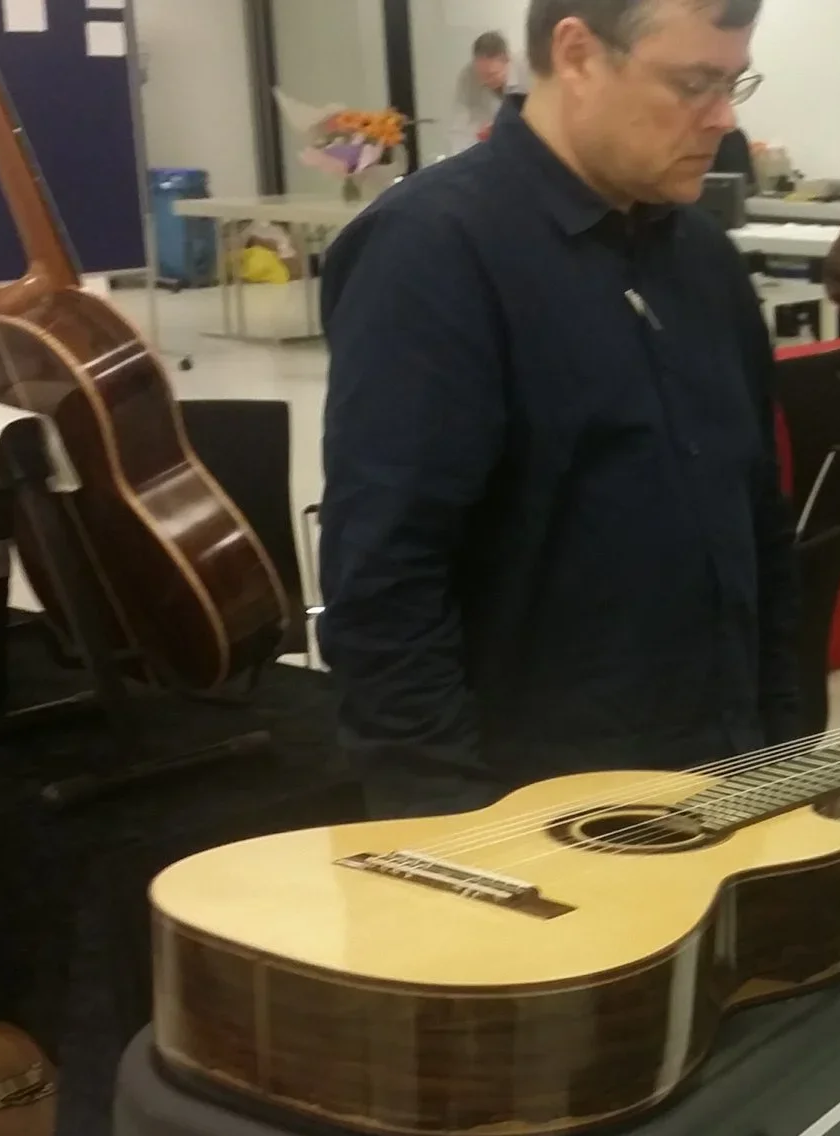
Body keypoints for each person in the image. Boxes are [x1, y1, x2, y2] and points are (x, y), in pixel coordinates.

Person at [317, 0, 794, 819]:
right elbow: (385, 581)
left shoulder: (703, 259)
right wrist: (453, 829)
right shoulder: (432, 252)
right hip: (531, 819)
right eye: (692, 83)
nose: (724, 118)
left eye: (733, 81)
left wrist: (792, 762)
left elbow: (759, 525)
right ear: (576, 54)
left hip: (725, 786)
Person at [452, 31, 522, 153]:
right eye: (481, 75)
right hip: (484, 151)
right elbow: (460, 123)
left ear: (507, 61)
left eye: (492, 75)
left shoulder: (527, 76)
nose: (485, 81)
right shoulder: (468, 77)